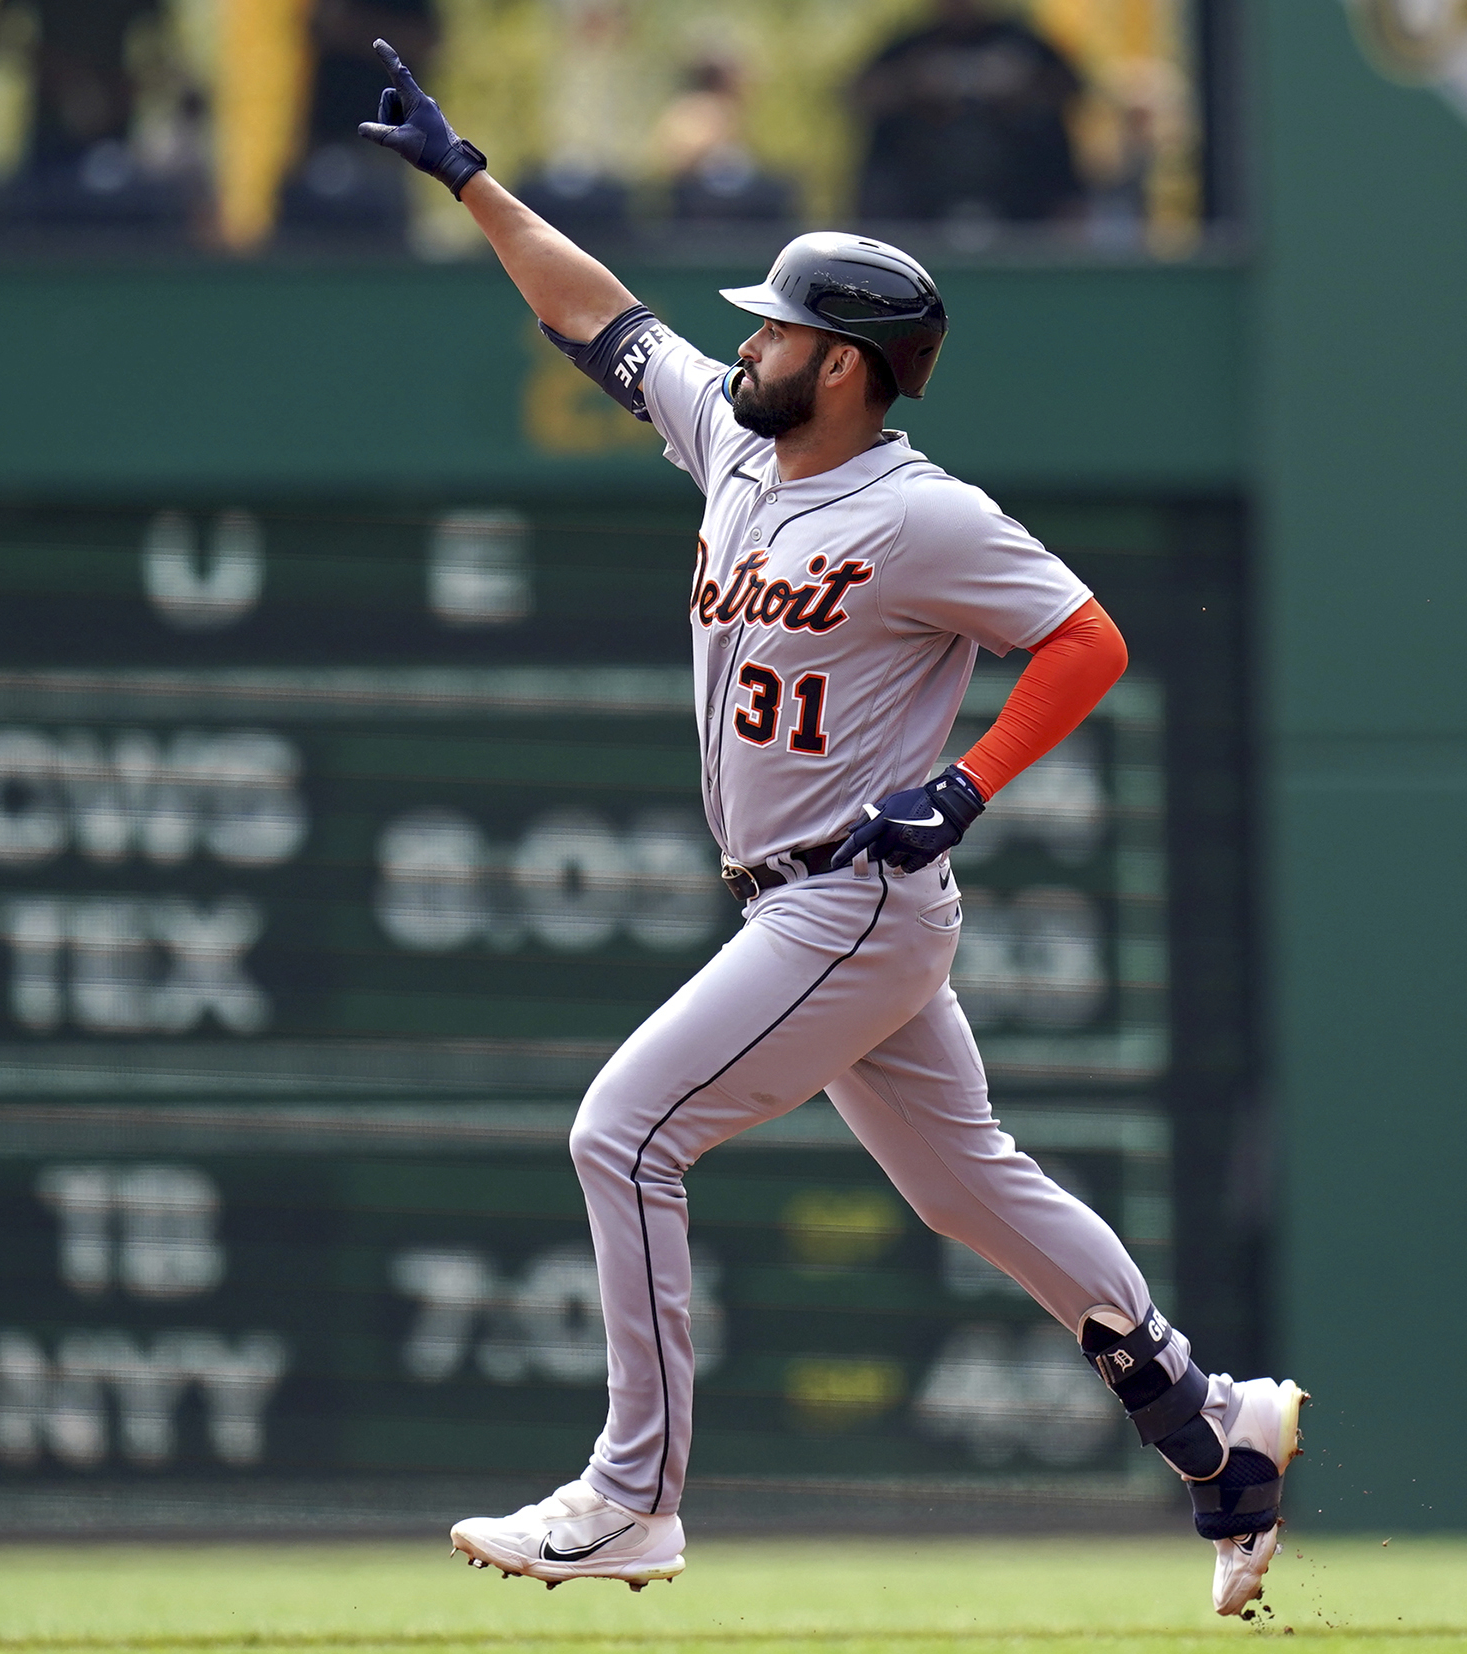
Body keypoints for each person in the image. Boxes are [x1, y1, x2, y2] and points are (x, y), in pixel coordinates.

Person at [357, 41, 1305, 1619]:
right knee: (966, 1186)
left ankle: (633, 1493)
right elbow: (599, 314)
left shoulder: (921, 510)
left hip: (848, 900)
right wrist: (471, 182)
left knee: (624, 1131)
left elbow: (1085, 640)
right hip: (792, 904)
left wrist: (972, 780)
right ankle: (1212, 1426)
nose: (754, 340)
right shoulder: (736, 445)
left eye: (783, 324)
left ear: (848, 362)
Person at [850, 0, 1084, 227]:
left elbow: (1074, 89)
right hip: (921, 196)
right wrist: (914, 83)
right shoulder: (911, 47)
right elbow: (858, 96)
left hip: (1021, 197)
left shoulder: (1022, 44)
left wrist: (1020, 86)